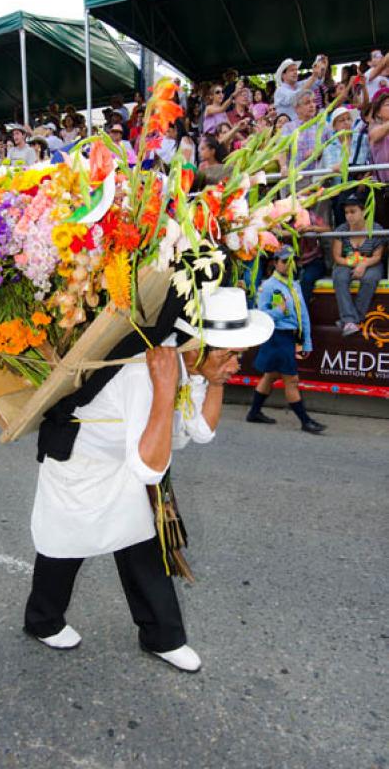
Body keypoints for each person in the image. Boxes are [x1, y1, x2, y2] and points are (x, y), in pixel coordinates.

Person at [24, 285, 273, 672]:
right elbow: (150, 468)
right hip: (82, 464)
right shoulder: (147, 370)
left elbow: (202, 432)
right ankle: (42, 620)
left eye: (239, 356)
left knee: (142, 544)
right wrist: (163, 387)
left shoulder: (187, 364)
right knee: (65, 545)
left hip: (129, 460)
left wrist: (217, 378)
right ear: (197, 347)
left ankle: (163, 637)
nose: (238, 364)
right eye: (229, 355)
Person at [246, 246, 326, 435]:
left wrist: (306, 341)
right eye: (284, 261)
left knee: (270, 375)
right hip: (276, 336)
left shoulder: (294, 284)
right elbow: (261, 314)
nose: (289, 265)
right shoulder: (268, 286)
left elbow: (303, 314)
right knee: (291, 380)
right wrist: (278, 312)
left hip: (289, 336)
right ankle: (305, 421)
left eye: (292, 261)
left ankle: (254, 412)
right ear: (275, 262)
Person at [332, 193, 385, 336]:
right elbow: (337, 257)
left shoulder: (376, 229)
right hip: (346, 262)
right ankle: (351, 320)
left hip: (371, 262)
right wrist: (353, 263)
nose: (349, 216)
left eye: (353, 211)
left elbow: (377, 256)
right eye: (346, 212)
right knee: (339, 276)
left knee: (370, 278)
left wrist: (363, 264)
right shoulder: (342, 230)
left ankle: (351, 321)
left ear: (364, 211)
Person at [274, 56, 327, 120]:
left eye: (296, 70)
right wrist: (314, 76)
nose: (295, 72)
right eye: (292, 70)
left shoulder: (299, 84)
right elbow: (295, 97)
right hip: (288, 128)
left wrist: (322, 69)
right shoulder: (280, 90)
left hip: (303, 126)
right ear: (283, 75)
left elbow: (317, 82)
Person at [368, 90, 389, 226]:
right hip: (383, 187)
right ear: (378, 112)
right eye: (387, 104)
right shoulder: (374, 126)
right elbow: (375, 135)